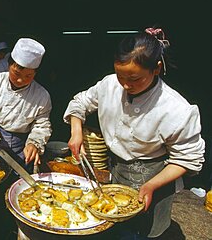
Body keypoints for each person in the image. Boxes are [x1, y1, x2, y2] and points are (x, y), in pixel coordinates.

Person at [63, 27, 205, 239]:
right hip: (117, 168)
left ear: (156, 69)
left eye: (135, 79)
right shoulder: (109, 85)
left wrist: (151, 185)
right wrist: (76, 132)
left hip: (154, 175)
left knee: (145, 231)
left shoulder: (176, 109)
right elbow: (80, 103)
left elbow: (188, 159)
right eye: (121, 76)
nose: (126, 85)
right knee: (114, 225)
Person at [0, 38, 52, 173]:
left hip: (23, 146)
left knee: (20, 181)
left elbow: (42, 125)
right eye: (17, 73)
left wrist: (34, 143)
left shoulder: (42, 95)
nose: (20, 80)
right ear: (9, 65)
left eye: (28, 76)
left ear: (35, 73)